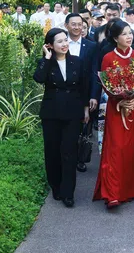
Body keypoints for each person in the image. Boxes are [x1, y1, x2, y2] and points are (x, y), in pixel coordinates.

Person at [93, 20, 134, 209]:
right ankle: (112, 194)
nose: (129, 37)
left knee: (131, 149)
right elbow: (106, 83)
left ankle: (128, 190)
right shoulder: (108, 57)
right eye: (124, 34)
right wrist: (119, 99)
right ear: (116, 38)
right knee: (115, 149)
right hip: (116, 109)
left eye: (130, 33)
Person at [33, 28, 89, 208]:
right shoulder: (46, 62)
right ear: (50, 45)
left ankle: (68, 192)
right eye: (59, 41)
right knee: (52, 151)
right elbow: (39, 78)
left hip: (72, 112)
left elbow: (83, 87)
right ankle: (55, 186)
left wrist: (86, 109)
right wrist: (47, 58)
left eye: (65, 40)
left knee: (69, 152)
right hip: (51, 113)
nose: (64, 44)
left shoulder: (77, 62)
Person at [64, 13, 99, 173]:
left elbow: (94, 73)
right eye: (73, 24)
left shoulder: (91, 46)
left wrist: (93, 95)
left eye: (80, 24)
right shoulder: (61, 43)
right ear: (66, 26)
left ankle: (81, 158)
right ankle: (67, 158)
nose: (77, 27)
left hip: (84, 94)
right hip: (64, 94)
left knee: (83, 128)